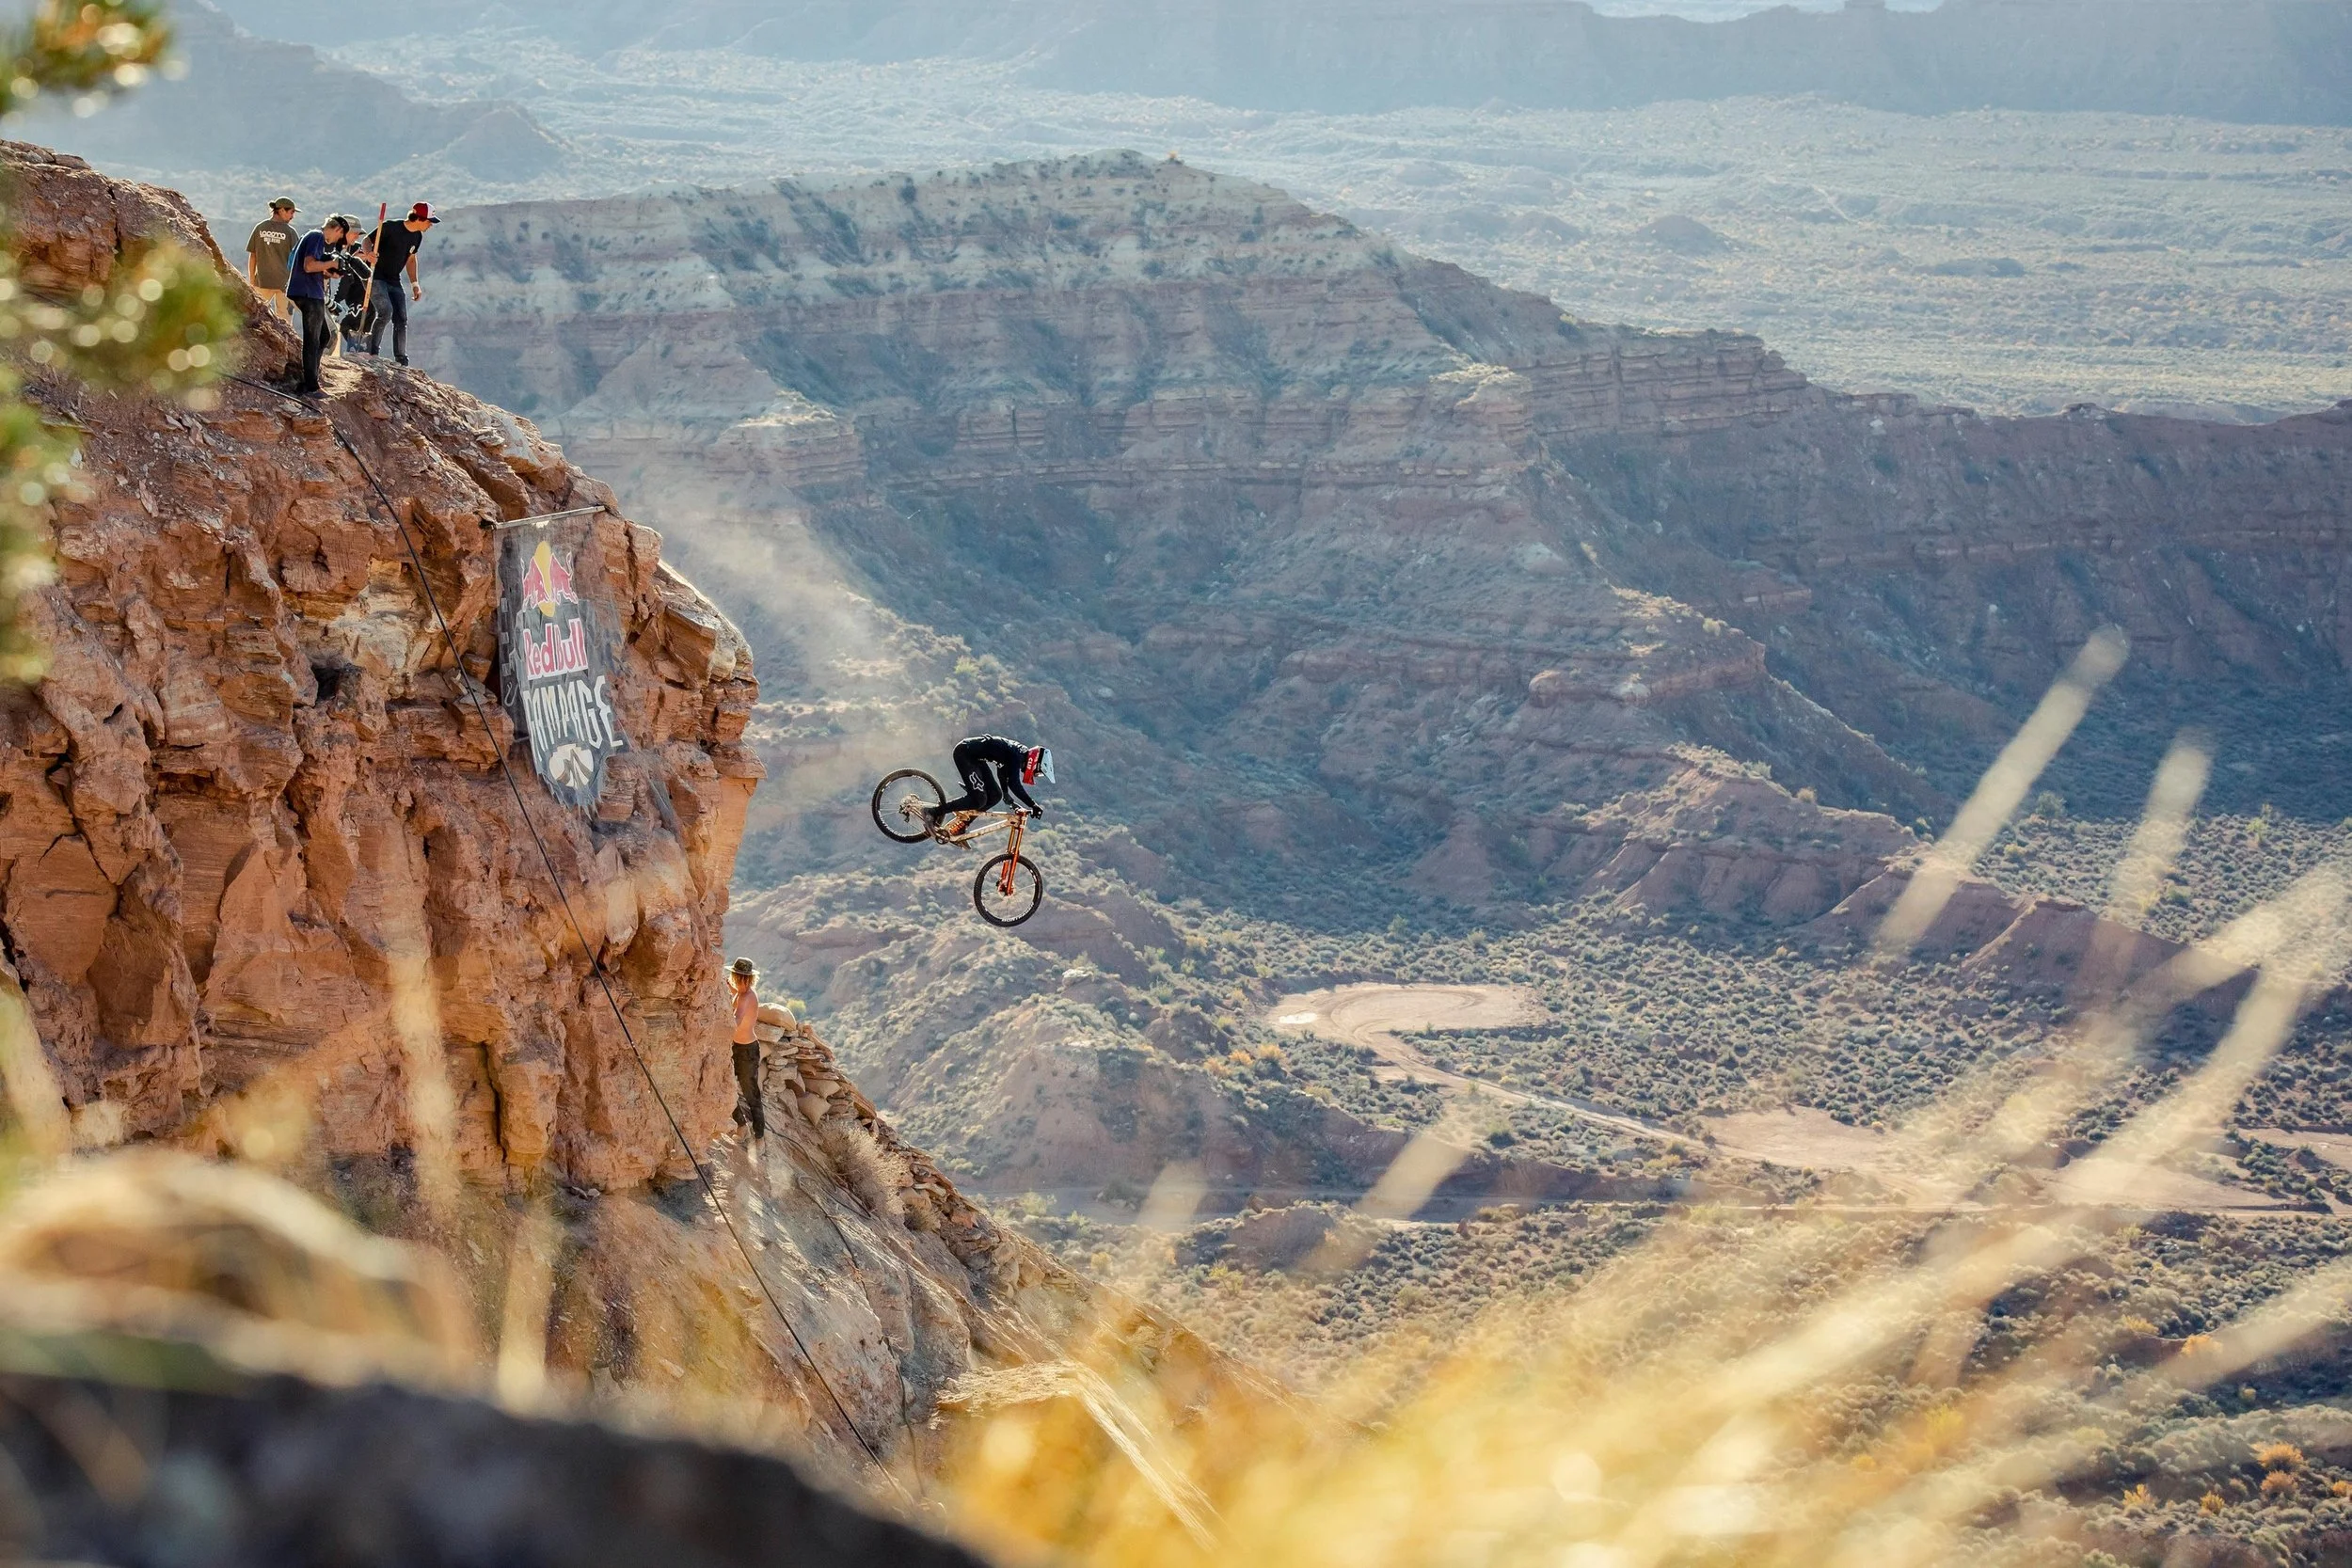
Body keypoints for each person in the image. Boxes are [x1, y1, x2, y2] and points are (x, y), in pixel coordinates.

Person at [924, 736, 1054, 836]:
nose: (1036, 775)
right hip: (965, 754)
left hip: (976, 759)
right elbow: (1014, 783)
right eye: (1038, 772)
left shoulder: (1019, 754)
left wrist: (1005, 793)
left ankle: (963, 824)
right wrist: (1033, 805)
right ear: (1035, 763)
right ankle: (932, 812)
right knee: (979, 800)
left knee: (995, 796)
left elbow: (1002, 771)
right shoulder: (1017, 756)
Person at [365, 201, 439, 365]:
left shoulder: (417, 236)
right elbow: (367, 240)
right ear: (418, 218)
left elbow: (411, 259)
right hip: (376, 277)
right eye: (429, 221)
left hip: (394, 280)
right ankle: (371, 352)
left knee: (401, 318)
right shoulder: (391, 227)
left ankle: (401, 358)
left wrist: (415, 283)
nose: (430, 226)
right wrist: (369, 253)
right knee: (385, 311)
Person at [286, 214, 349, 397]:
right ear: (338, 229)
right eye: (339, 236)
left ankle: (311, 375)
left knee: (324, 336)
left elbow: (313, 268)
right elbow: (309, 266)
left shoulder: (313, 237)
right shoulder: (317, 237)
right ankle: (311, 386)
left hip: (310, 291)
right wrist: (332, 262)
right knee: (313, 339)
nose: (337, 240)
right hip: (308, 293)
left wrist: (330, 273)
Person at [726, 956, 765, 1138]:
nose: (738, 980)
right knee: (724, 1085)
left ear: (747, 979)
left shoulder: (747, 997)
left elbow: (738, 1019)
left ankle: (759, 1137)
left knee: (751, 1095)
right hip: (736, 1048)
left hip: (747, 1051)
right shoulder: (740, 993)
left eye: (740, 977)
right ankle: (742, 1127)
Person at [244, 198, 299, 324]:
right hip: (284, 285)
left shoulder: (260, 228)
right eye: (291, 212)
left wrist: (252, 280)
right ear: (282, 211)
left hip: (262, 282)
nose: (292, 217)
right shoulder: (290, 232)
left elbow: (253, 256)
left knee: (254, 317)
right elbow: (296, 260)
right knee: (285, 324)